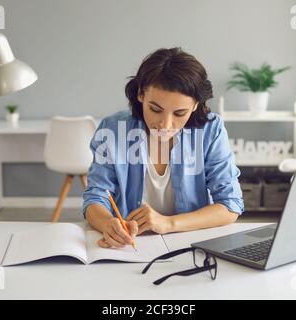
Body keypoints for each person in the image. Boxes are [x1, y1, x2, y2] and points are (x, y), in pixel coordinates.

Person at [83, 48, 244, 249]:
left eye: (179, 113)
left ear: (195, 105)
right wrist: (108, 224)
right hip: (130, 246)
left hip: (190, 243)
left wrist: (168, 223)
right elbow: (95, 197)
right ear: (141, 94)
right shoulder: (113, 129)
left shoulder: (211, 130)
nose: (165, 124)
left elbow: (230, 206)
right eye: (155, 109)